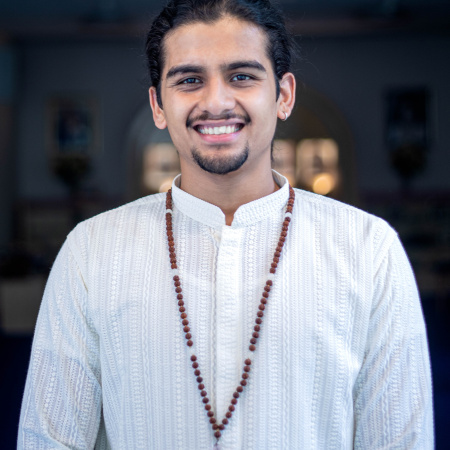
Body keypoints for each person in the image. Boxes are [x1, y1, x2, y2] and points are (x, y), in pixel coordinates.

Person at [18, 0, 433, 448]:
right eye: (190, 80)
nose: (215, 101)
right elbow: (49, 439)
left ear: (284, 96)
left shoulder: (368, 249)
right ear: (159, 105)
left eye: (242, 76)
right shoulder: (91, 252)